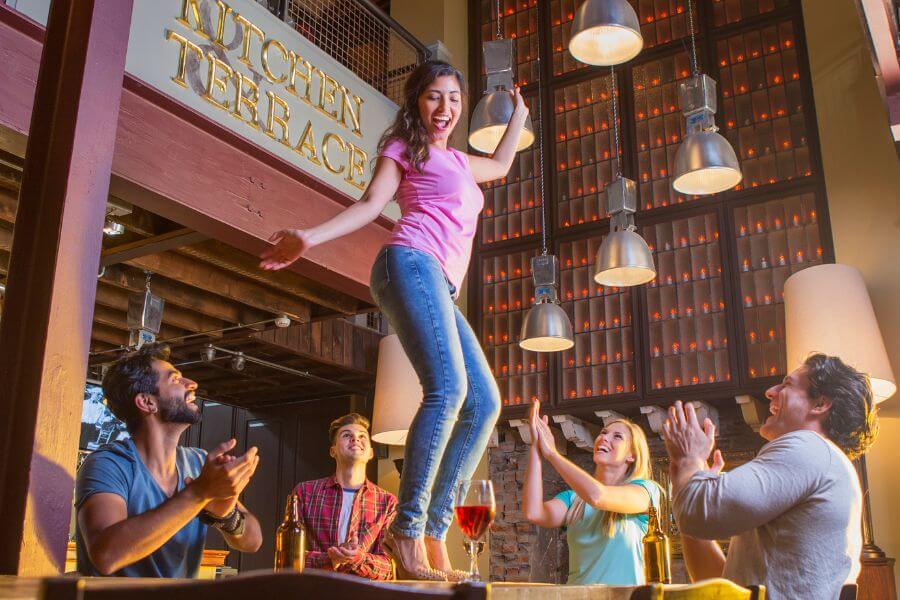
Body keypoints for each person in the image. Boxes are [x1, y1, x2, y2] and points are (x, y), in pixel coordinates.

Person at [260, 59, 528, 580]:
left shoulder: (460, 162)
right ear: (416, 102)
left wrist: (519, 113)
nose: (445, 108)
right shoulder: (404, 148)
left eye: (454, 98)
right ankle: (407, 531)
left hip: (440, 286)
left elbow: (500, 164)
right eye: (434, 97)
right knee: (447, 391)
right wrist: (309, 238)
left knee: (485, 403)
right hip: (409, 261)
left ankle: (431, 528)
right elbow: (371, 204)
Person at [663, 353, 879, 599]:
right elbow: (722, 585)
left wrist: (689, 461)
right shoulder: (824, 460)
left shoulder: (808, 447)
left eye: (787, 384)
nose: (770, 391)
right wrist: (691, 481)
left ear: (820, 404)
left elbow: (698, 513)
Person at [75, 345, 262, 577]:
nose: (191, 383)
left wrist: (225, 516)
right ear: (146, 402)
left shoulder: (198, 462)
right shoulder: (108, 464)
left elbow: (253, 541)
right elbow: (106, 556)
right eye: (175, 380)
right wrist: (198, 494)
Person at [523, 401, 661, 585]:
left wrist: (553, 455)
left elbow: (598, 496)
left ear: (632, 455)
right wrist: (536, 447)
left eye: (617, 436)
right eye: (603, 433)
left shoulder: (646, 491)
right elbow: (534, 512)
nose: (604, 437)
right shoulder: (573, 499)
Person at [293, 413, 396, 580]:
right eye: (347, 435)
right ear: (333, 451)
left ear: (370, 453)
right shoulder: (304, 493)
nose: (355, 439)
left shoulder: (387, 502)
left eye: (362, 436)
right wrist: (329, 558)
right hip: (314, 591)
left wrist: (358, 558)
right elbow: (289, 558)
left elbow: (389, 568)